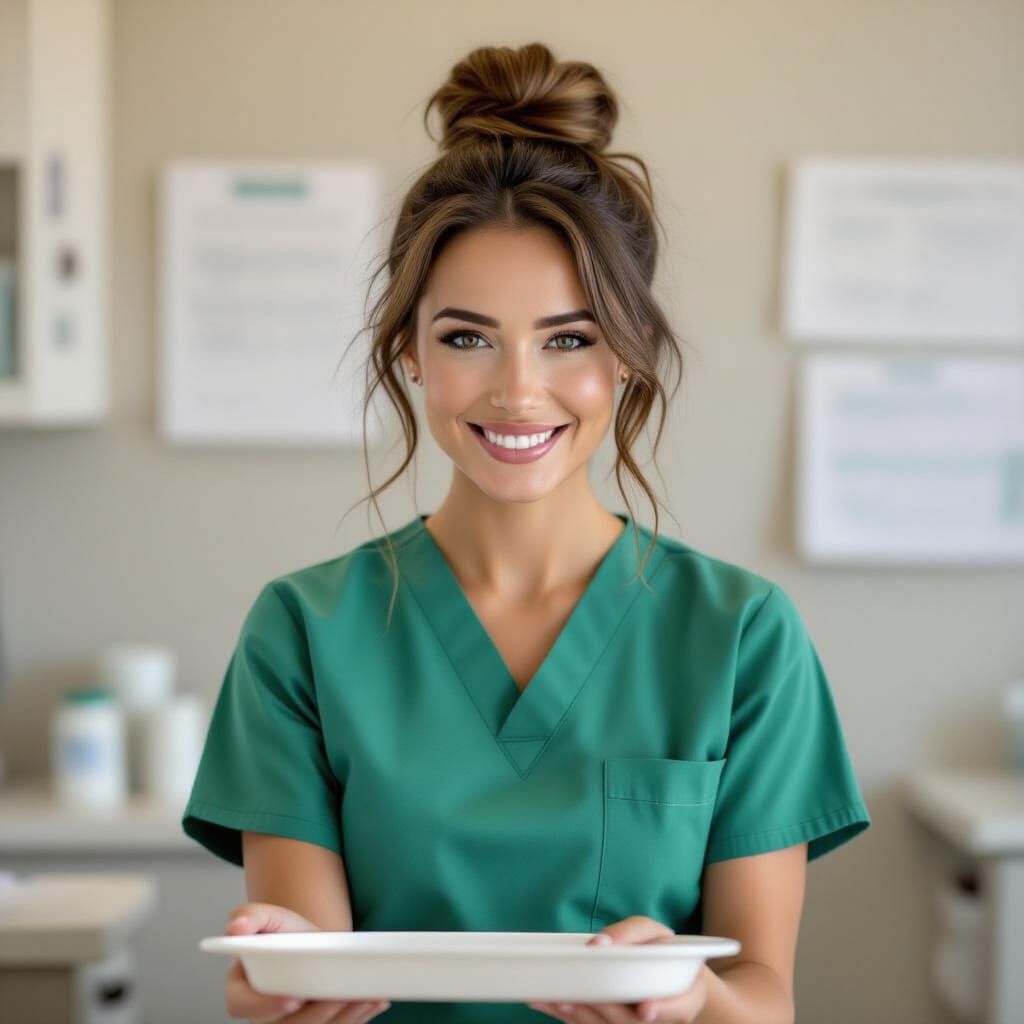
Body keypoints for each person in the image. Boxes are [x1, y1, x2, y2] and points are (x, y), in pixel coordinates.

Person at [181, 41, 871, 1024]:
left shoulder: (741, 635)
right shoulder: (302, 630)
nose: (515, 389)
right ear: (409, 353)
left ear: (627, 356)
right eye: (466, 337)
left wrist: (693, 999)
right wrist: (293, 978)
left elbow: (765, 999)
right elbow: (313, 967)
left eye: (570, 337)